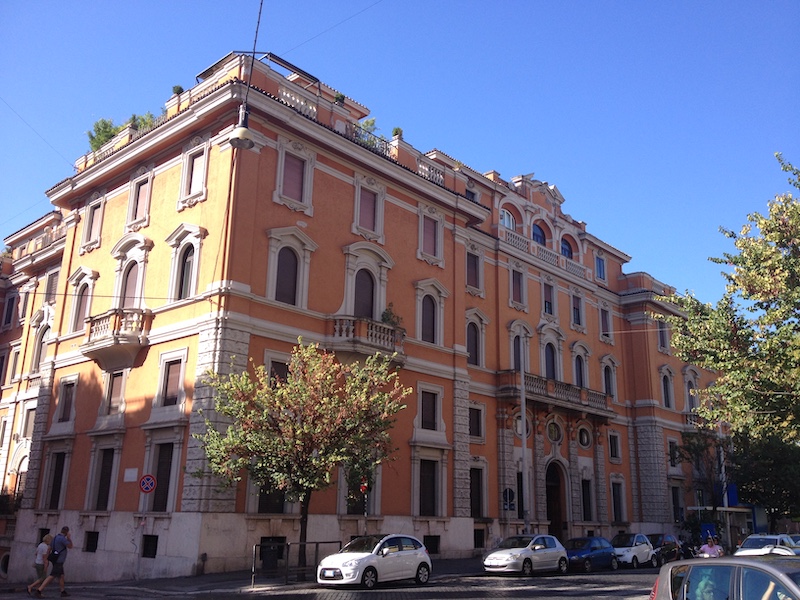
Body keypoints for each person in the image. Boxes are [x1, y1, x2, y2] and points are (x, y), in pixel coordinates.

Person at [35, 526, 72, 597]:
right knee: (52, 575)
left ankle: (63, 591)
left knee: (61, 576)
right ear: (66, 532)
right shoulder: (63, 539)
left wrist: (46, 558)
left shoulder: (55, 538)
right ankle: (39, 590)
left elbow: (49, 548)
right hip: (59, 561)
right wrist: (69, 539)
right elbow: (70, 546)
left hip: (55, 559)